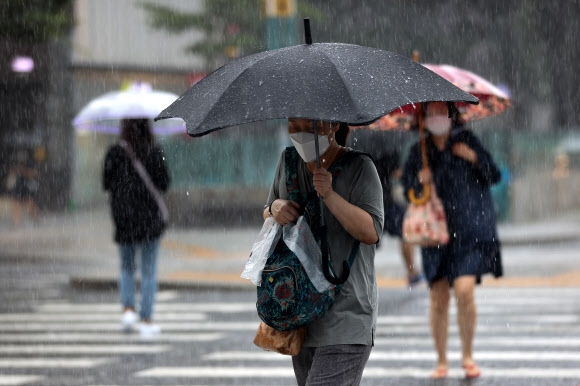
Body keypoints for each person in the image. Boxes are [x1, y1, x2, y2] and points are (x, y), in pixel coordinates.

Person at [265, 118, 384, 386]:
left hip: (346, 315)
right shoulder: (288, 163)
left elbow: (371, 231)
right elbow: (268, 209)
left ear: (332, 125)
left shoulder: (360, 167)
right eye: (293, 125)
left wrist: (329, 194)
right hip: (300, 315)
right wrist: (275, 209)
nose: (300, 133)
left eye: (310, 126)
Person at [401, 102, 503, 379]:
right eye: (430, 113)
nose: (436, 118)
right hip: (436, 234)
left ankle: (467, 354)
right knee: (438, 297)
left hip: (469, 231)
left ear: (451, 115)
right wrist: (418, 183)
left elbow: (494, 174)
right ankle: (442, 359)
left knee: (464, 289)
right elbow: (409, 191)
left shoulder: (468, 140)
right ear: (422, 119)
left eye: (441, 112)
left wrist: (473, 158)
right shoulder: (419, 152)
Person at [103, 118, 170, 337]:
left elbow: (105, 183)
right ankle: (146, 320)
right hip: (149, 220)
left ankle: (128, 309)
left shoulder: (114, 152)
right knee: (149, 271)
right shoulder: (154, 151)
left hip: (123, 220)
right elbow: (164, 183)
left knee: (126, 267)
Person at [375, 150, 424, 287]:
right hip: (385, 204)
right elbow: (399, 173)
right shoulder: (388, 149)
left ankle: (412, 273)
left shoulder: (360, 148)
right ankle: (412, 272)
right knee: (406, 231)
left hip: (366, 204)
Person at [9, 149, 40, 227]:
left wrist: (22, 171)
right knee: (16, 203)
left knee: (29, 204)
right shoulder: (16, 162)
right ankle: (17, 222)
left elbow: (35, 173)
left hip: (28, 185)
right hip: (19, 185)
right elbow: (12, 172)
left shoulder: (31, 162)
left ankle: (35, 218)